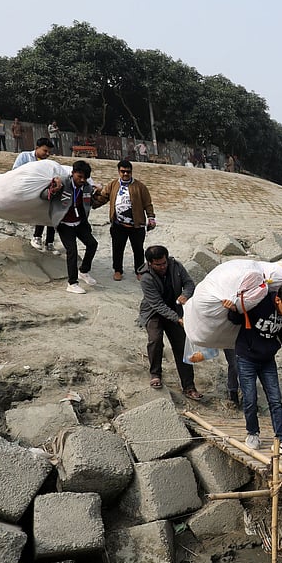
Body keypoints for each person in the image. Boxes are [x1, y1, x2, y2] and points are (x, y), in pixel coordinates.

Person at [224, 283, 282, 459]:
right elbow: (239, 319)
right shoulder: (260, 303)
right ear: (278, 299)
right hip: (246, 357)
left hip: (267, 359)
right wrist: (232, 309)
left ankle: (281, 440)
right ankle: (253, 433)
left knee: (276, 400)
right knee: (250, 398)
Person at [137, 245, 200, 401]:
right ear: (150, 263)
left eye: (164, 263)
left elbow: (189, 284)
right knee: (155, 340)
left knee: (181, 346)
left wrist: (185, 295)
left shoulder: (176, 266)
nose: (163, 267)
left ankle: (189, 386)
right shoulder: (145, 277)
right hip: (154, 313)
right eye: (158, 264)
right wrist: (178, 319)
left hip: (175, 308)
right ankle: (155, 374)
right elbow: (157, 304)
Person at [40, 159, 108, 294]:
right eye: (79, 176)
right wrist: (54, 189)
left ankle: (83, 271)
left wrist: (102, 195)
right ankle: (72, 283)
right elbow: (43, 195)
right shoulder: (62, 182)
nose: (82, 180)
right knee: (72, 251)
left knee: (92, 244)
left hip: (80, 222)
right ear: (73, 173)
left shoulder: (88, 187)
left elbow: (92, 204)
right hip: (64, 223)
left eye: (85, 177)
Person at [97, 159, 155, 281]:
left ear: (131, 172)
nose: (125, 174)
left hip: (136, 225)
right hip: (118, 224)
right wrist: (91, 202)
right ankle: (118, 270)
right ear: (119, 171)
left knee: (138, 249)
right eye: (123, 171)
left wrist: (151, 218)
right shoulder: (113, 185)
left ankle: (139, 270)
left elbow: (148, 203)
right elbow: (103, 198)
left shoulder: (140, 186)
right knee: (117, 248)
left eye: (128, 172)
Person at [12, 137, 59, 254]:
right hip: (28, 191)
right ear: (37, 148)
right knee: (41, 211)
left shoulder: (48, 163)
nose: (47, 154)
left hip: (45, 192)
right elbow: (15, 172)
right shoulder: (25, 156)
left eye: (49, 152)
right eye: (45, 151)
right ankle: (37, 237)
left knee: (51, 210)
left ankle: (50, 242)